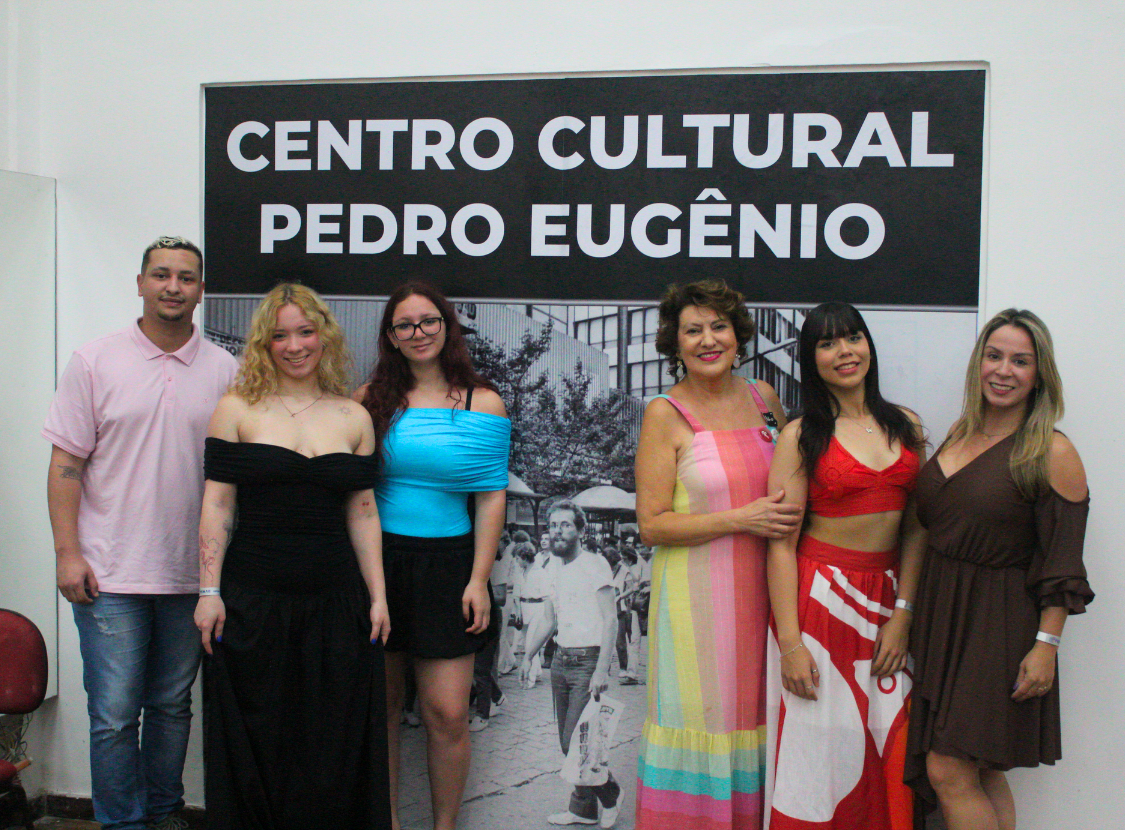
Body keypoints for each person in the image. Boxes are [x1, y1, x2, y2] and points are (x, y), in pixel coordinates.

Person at [43, 236, 238, 830]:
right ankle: (122, 823)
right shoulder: (94, 361)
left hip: (190, 575)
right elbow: (66, 465)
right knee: (114, 714)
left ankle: (163, 812)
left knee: (173, 707)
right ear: (140, 283)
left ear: (201, 290)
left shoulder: (225, 370)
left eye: (186, 277)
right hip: (109, 575)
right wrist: (67, 553)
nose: (173, 287)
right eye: (161, 275)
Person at [194, 283, 390, 829]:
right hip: (252, 603)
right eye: (280, 336)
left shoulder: (353, 416)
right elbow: (217, 506)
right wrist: (209, 592)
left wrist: (378, 597)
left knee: (332, 741)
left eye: (305, 332)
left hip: (337, 605)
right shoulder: (235, 409)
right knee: (259, 739)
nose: (295, 345)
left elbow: (363, 512)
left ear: (324, 337)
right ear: (264, 344)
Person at [905, 309, 1093, 830]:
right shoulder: (959, 432)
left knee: (947, 768)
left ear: (1040, 374)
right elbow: (928, 524)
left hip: (999, 625)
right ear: (978, 363)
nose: (1004, 371)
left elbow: (1063, 561)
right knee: (978, 769)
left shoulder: (1052, 451)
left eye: (1020, 361)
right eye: (994, 356)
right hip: (944, 618)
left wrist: (1045, 647)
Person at [633, 279, 801, 830]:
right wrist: (739, 519)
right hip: (695, 607)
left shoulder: (764, 399)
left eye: (719, 326)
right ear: (675, 343)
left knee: (757, 718)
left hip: (767, 597)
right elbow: (652, 524)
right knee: (702, 720)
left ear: (738, 334)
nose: (708, 340)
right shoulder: (664, 414)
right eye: (693, 330)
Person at [764, 302, 926, 830]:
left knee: (891, 743)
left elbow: (917, 530)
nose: (844, 352)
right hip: (820, 606)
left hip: (888, 605)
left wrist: (903, 614)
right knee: (820, 756)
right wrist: (792, 645)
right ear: (811, 359)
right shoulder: (800, 435)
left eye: (853, 338)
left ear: (868, 346)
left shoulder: (907, 425)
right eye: (827, 343)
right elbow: (781, 547)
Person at [356, 280, 510, 830]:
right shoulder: (369, 400)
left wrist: (478, 579)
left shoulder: (482, 401)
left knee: (446, 714)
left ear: (447, 327)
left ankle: (445, 826)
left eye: (428, 321)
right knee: (383, 711)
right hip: (378, 567)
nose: (418, 332)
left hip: (450, 568)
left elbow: (491, 495)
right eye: (405, 325)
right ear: (390, 336)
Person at [520, 500, 621, 828]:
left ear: (580, 530)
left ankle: (611, 794)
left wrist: (602, 669)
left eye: (565, 524)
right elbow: (549, 619)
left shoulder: (595, 564)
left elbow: (610, 620)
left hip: (588, 662)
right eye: (553, 525)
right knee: (571, 745)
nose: (557, 531)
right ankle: (583, 810)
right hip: (560, 663)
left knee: (576, 742)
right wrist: (528, 655)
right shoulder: (550, 567)